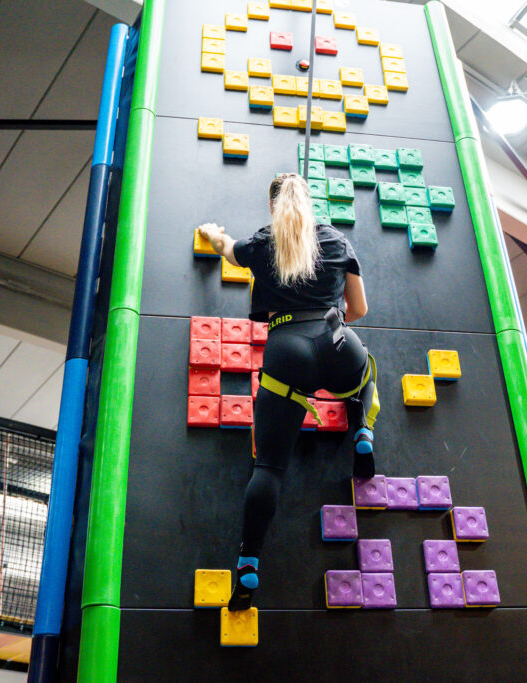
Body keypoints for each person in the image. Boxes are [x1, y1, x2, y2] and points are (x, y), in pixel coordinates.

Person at [196, 172, 380, 612]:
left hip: (286, 351)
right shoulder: (336, 241)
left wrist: (212, 234)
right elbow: (359, 309)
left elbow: (227, 249)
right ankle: (362, 433)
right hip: (336, 339)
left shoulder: (262, 243)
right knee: (365, 372)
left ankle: (247, 564)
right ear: (309, 202)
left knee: (270, 467)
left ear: (273, 206)